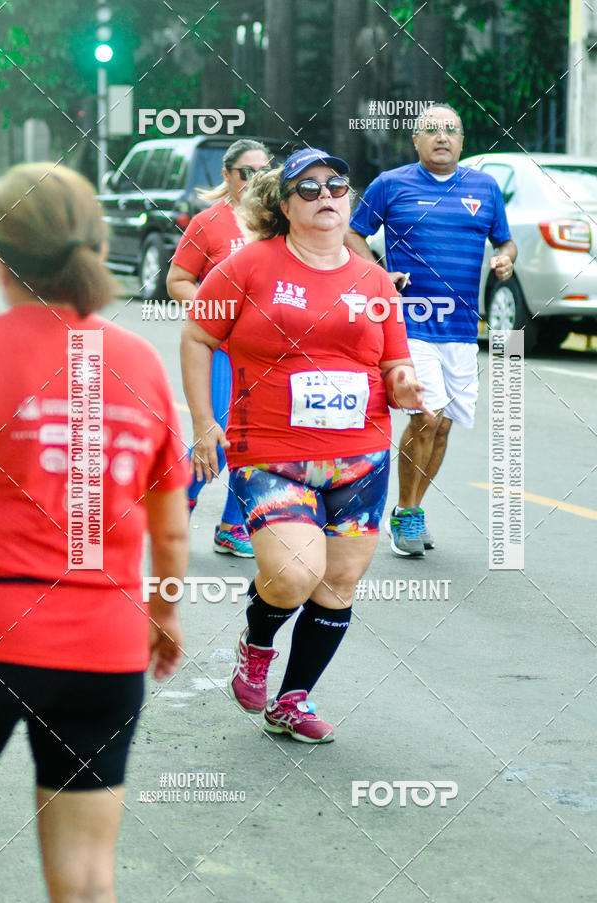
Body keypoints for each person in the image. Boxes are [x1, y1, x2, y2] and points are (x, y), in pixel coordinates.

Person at [181, 147, 431, 744]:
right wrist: (203, 422)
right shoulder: (248, 266)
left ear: (349, 200)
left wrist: (404, 383)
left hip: (361, 459)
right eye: (309, 188)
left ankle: (292, 700)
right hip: (271, 453)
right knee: (294, 574)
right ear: (284, 205)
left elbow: (393, 360)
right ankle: (257, 641)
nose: (326, 196)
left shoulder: (373, 279)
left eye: (336, 186)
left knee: (338, 582)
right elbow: (196, 337)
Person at [0, 163, 188, 903]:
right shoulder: (137, 361)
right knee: (85, 880)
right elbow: (171, 534)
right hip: (105, 649)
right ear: (98, 245)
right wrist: (163, 616)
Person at [346, 104, 517, 557]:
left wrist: (505, 259)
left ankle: (411, 510)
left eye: (451, 131)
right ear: (416, 140)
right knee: (427, 416)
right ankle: (404, 513)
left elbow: (504, 241)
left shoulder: (484, 187)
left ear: (462, 141)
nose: (442, 138)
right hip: (411, 324)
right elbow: (354, 233)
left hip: (462, 329)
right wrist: (379, 273)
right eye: (432, 131)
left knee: (443, 428)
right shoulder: (391, 184)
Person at [167, 138, 272, 558]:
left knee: (257, 444)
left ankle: (232, 527)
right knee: (219, 436)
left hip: (269, 353)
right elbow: (177, 281)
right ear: (227, 175)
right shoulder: (207, 223)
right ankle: (177, 503)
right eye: (247, 171)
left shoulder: (278, 222)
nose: (256, 179)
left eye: (264, 170)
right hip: (223, 350)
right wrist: (215, 311)